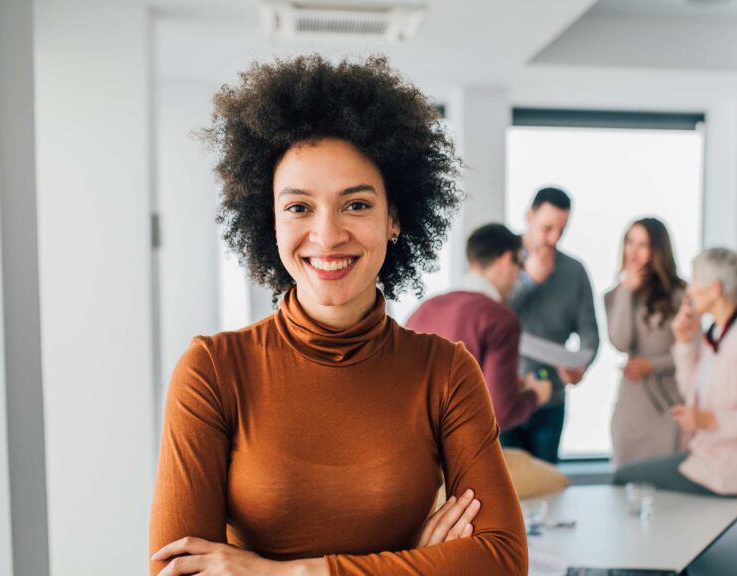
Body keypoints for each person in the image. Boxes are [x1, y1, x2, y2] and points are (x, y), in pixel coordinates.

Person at [148, 56, 527, 576]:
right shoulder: (212, 371)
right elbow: (179, 572)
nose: (327, 236)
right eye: (299, 207)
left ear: (395, 218)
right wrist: (419, 563)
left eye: (355, 205)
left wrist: (288, 572)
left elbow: (503, 560)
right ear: (271, 222)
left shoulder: (445, 372)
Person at [614, 247, 737, 496]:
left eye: (694, 281)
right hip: (710, 456)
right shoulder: (717, 333)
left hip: (735, 467)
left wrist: (710, 420)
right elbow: (691, 391)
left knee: (624, 478)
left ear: (714, 289)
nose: (689, 290)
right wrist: (684, 343)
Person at [407, 224, 552, 431]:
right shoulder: (500, 318)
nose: (517, 278)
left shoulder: (424, 309)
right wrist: (535, 395)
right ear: (504, 260)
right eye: (519, 266)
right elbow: (500, 413)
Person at [503, 187, 599, 463]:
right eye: (547, 228)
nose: (554, 238)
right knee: (504, 489)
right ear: (529, 216)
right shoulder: (502, 260)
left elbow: (590, 333)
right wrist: (528, 280)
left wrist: (582, 365)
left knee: (547, 485)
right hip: (503, 395)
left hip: (551, 399)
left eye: (561, 229)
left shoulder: (574, 271)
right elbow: (487, 317)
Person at [605, 218, 687, 467]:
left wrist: (653, 365)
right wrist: (626, 292)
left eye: (643, 244)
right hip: (630, 408)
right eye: (630, 242)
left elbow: (692, 353)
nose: (633, 251)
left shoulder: (680, 294)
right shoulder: (614, 295)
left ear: (657, 250)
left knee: (665, 492)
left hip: (666, 407)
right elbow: (620, 341)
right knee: (624, 489)